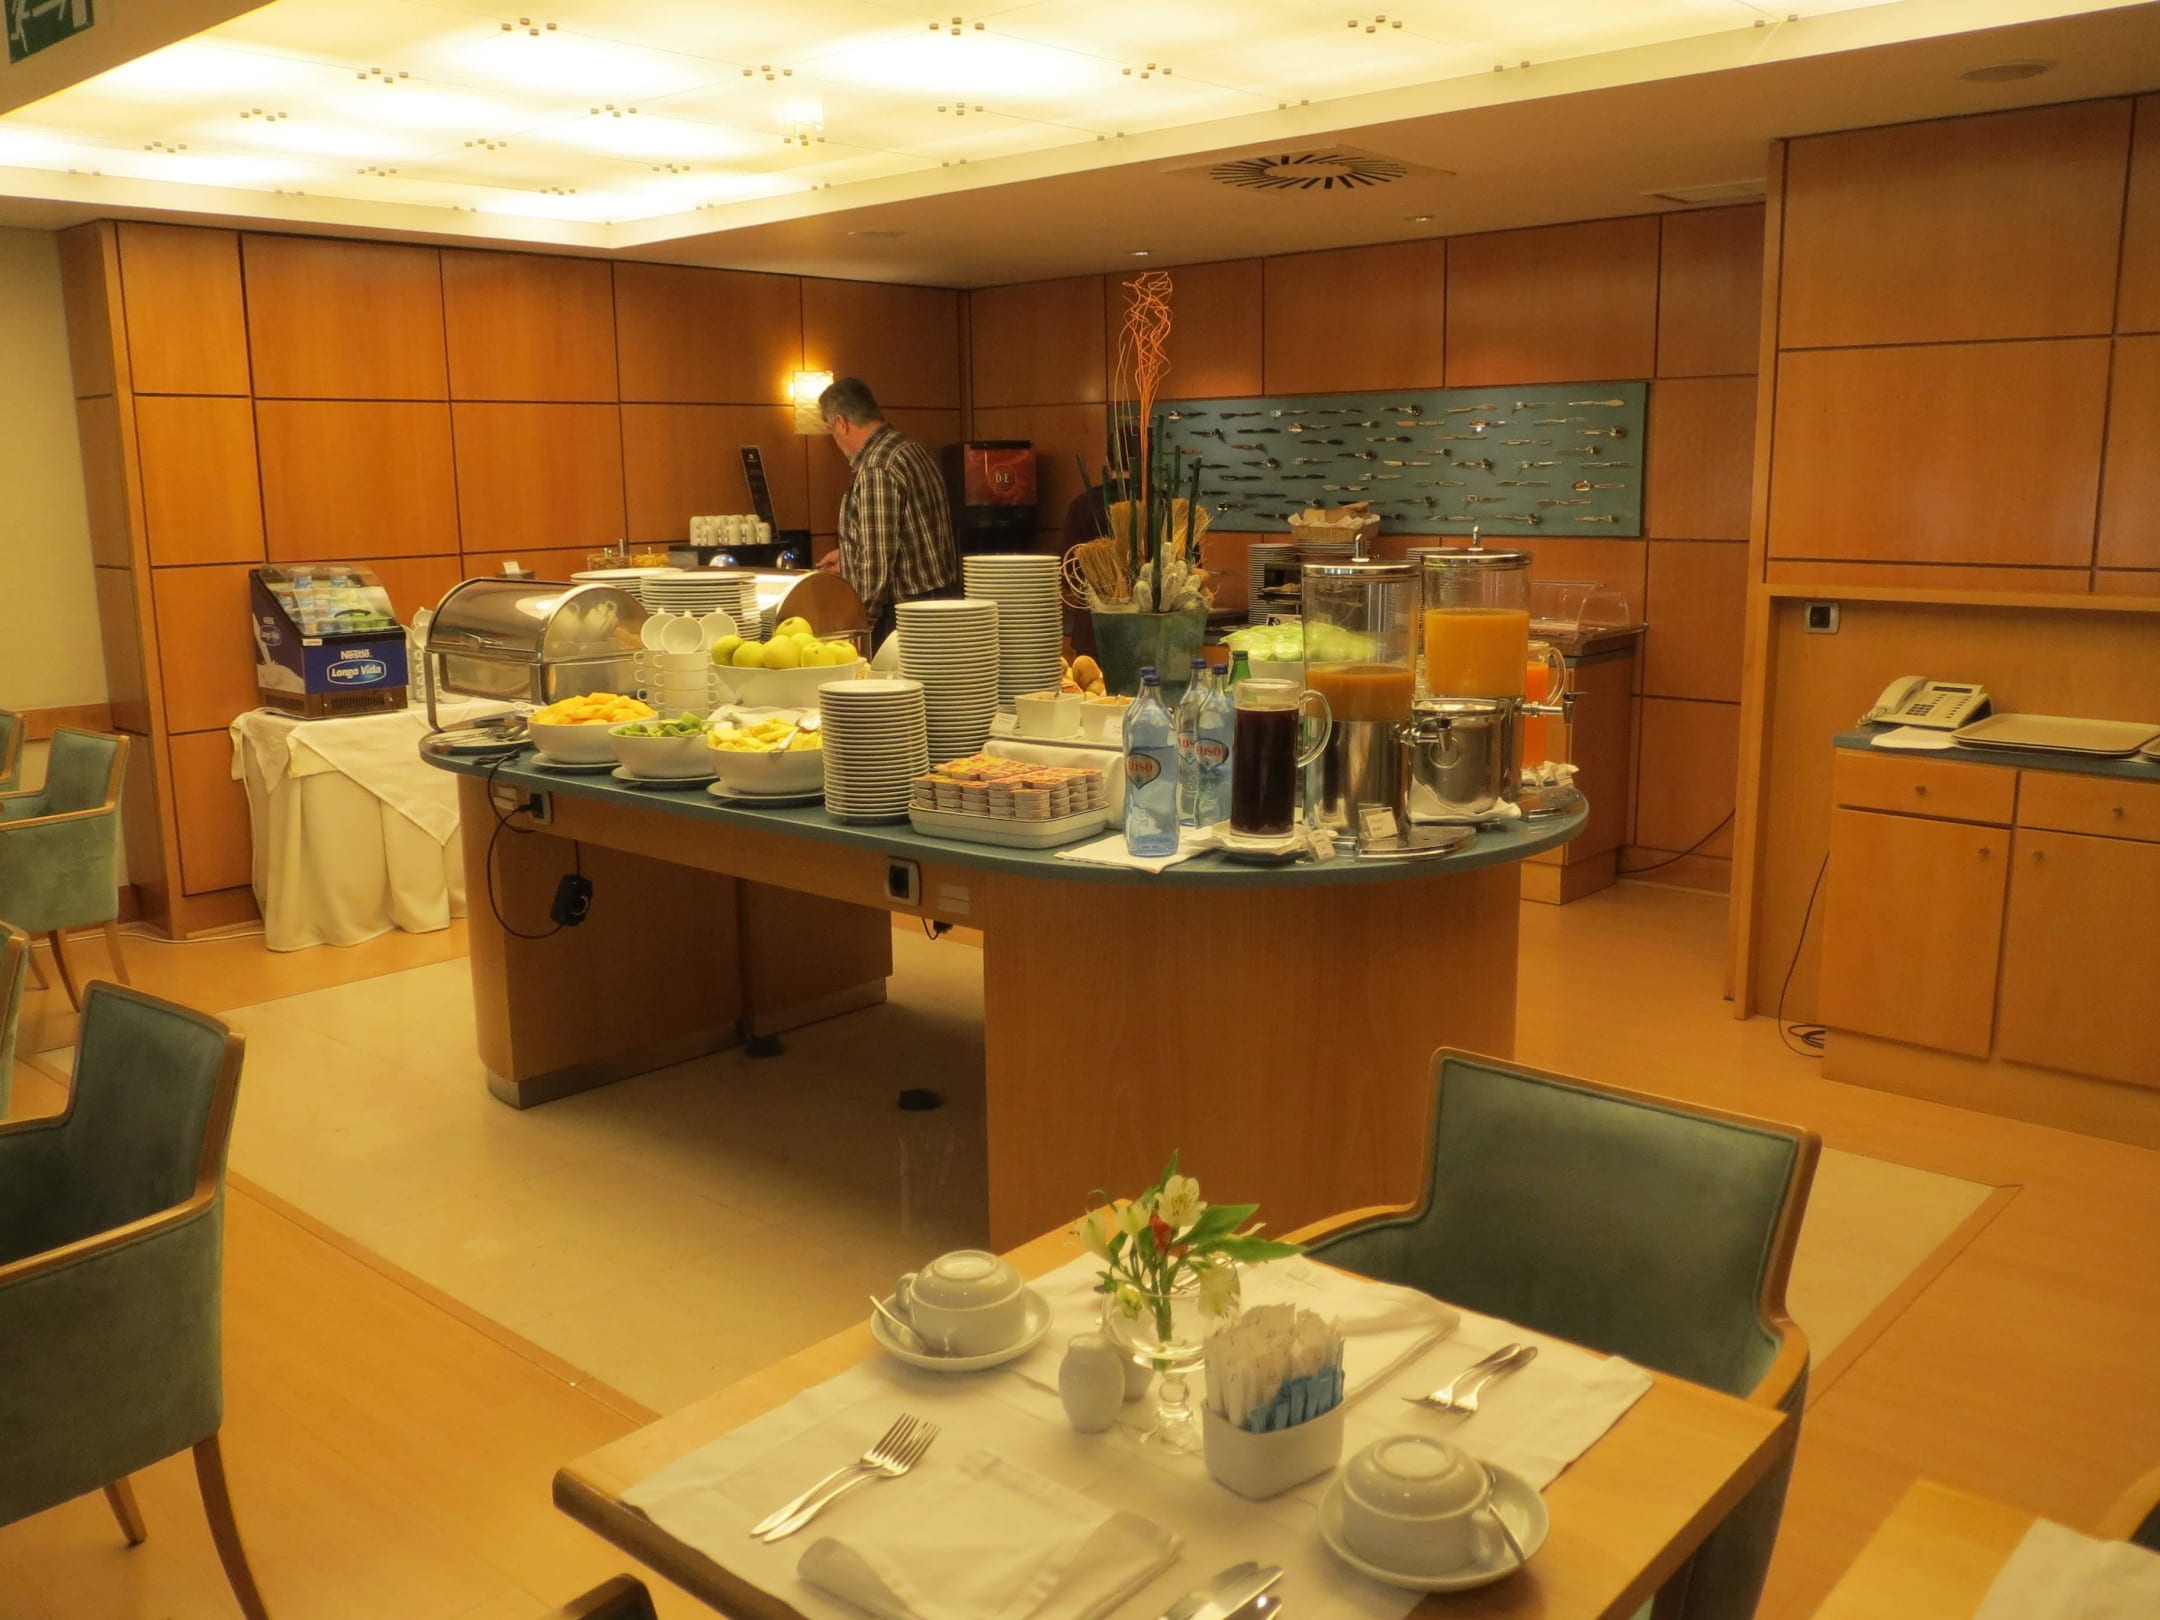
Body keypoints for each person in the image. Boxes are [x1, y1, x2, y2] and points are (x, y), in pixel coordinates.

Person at [814, 376, 959, 646]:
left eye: (830, 428)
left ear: (841, 423)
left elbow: (876, 565)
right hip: (941, 605)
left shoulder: (875, 467)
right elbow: (915, 538)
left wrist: (858, 629)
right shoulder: (911, 449)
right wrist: (849, 555)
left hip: (903, 618)